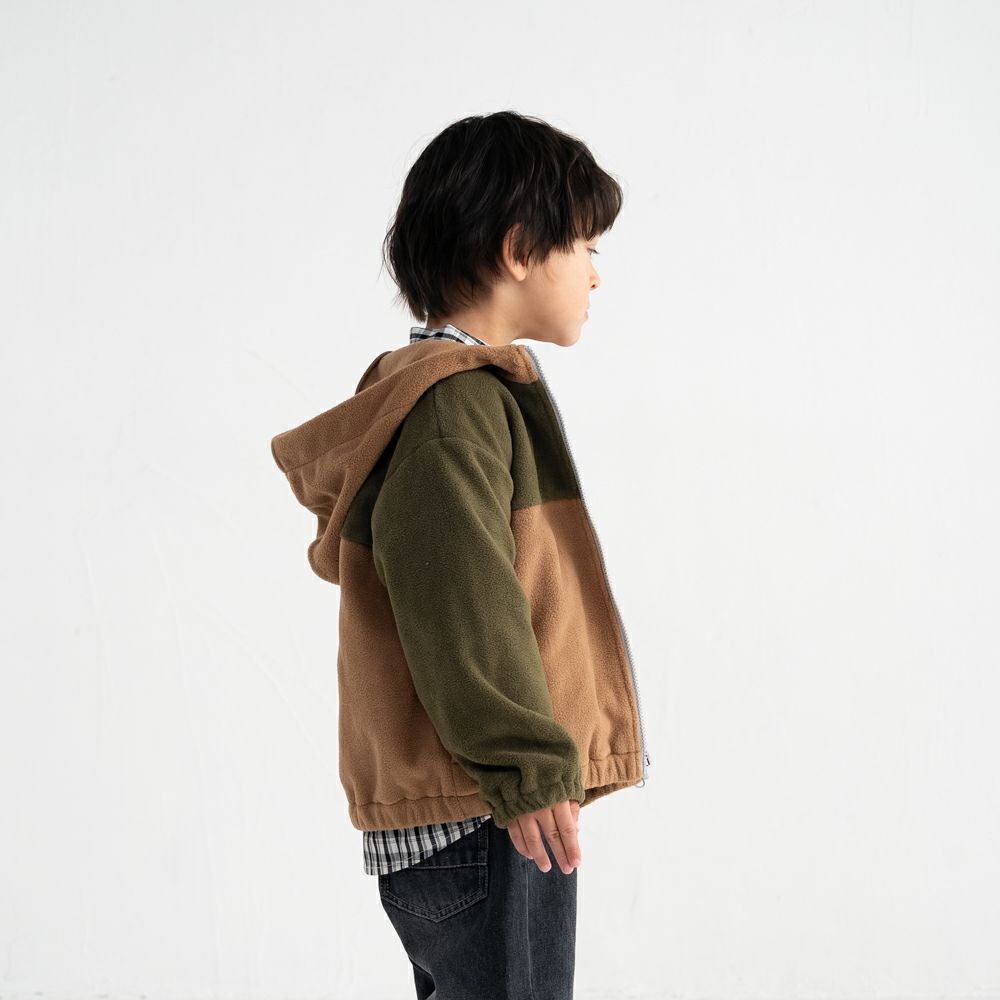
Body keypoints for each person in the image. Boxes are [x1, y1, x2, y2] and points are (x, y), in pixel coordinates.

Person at [270, 109, 651, 1000]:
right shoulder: (455, 405)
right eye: (586, 246)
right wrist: (527, 767)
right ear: (518, 249)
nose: (596, 273)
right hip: (486, 805)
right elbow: (462, 601)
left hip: (475, 802)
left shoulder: (447, 397)